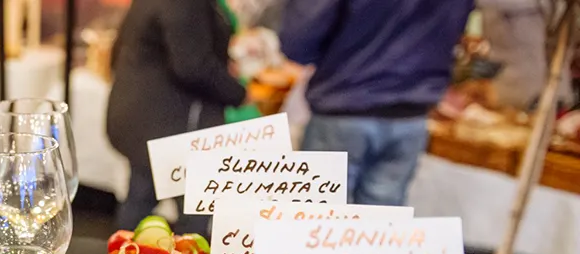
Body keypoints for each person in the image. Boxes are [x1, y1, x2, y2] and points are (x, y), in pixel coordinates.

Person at [281, 0, 473, 206]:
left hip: (345, 105)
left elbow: (300, 37)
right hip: (411, 112)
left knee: (320, 217)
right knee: (381, 223)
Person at [106, 0, 251, 232]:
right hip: (172, 126)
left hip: (146, 117)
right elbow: (193, 66)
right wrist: (239, 93)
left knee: (140, 199)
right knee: (192, 217)